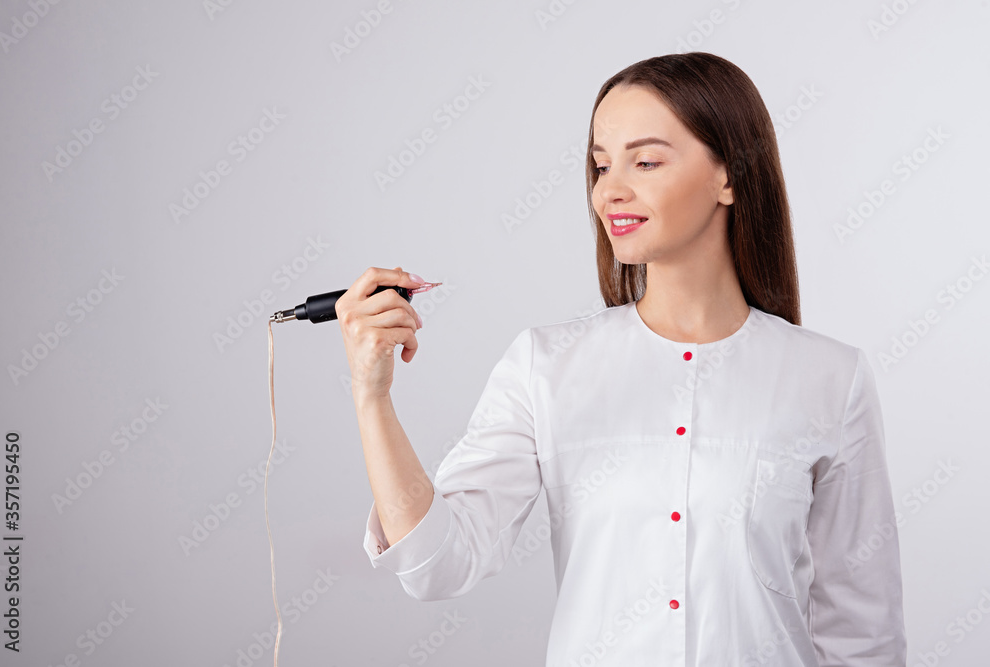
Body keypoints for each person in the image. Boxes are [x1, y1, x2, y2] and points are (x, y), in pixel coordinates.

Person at [336, 52, 907, 666]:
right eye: (601, 164)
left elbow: (862, 630)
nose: (610, 189)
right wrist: (373, 397)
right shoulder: (545, 366)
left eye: (646, 160)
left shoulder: (830, 377)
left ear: (730, 176)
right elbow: (436, 566)